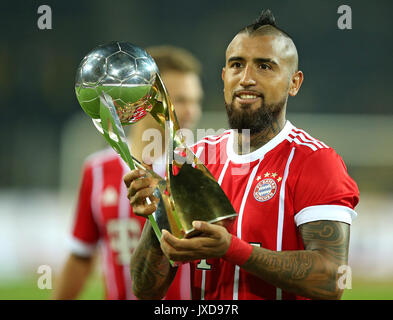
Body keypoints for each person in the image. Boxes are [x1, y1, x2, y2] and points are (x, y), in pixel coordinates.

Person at [124, 9, 360, 300]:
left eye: (264, 66)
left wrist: (230, 248)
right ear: (224, 77)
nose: (246, 78)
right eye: (237, 65)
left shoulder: (315, 162)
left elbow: (331, 280)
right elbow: (146, 290)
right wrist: (158, 217)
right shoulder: (192, 159)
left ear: (294, 83)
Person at [52, 45, 203, 300]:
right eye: (180, 100)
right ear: (145, 98)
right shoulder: (97, 170)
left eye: (196, 101)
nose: (191, 111)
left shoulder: (200, 168)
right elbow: (81, 255)